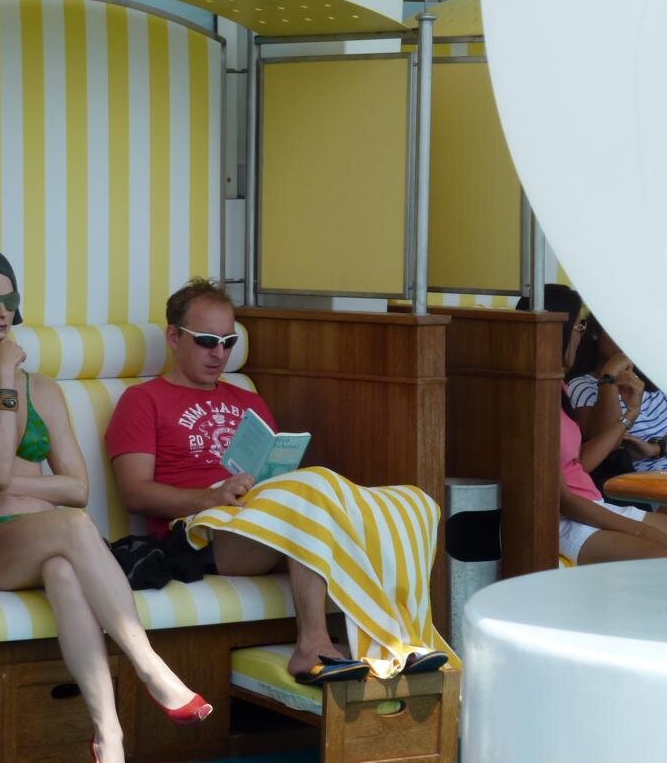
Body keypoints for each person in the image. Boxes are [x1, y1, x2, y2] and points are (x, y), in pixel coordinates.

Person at [106, 278, 453, 683]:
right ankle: (312, 647)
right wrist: (209, 498)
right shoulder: (143, 400)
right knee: (309, 491)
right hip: (200, 532)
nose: (219, 353)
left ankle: (400, 642)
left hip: (263, 517)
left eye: (228, 342)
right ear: (173, 337)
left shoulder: (248, 400)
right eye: (206, 341)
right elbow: (134, 493)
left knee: (411, 501)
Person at [0, 247, 210, 763]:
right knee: (72, 527)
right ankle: (151, 667)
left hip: (42, 539)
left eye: (10, 300)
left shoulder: (44, 389)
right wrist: (5, 381)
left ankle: (108, 736)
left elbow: (79, 488)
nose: (1, 312)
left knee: (64, 570)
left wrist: (17, 488)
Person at [517, 285, 667, 564]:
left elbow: (579, 464)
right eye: (579, 326)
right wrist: (640, 530)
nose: (580, 335)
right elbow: (563, 499)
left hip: (590, 504)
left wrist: (630, 414)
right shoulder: (534, 394)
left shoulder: (557, 387)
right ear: (557, 330)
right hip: (568, 520)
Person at [567, 313, 667, 478]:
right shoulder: (582, 385)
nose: (627, 339)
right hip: (649, 480)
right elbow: (603, 444)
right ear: (595, 332)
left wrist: (656, 448)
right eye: (618, 330)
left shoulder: (651, 375)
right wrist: (609, 377)